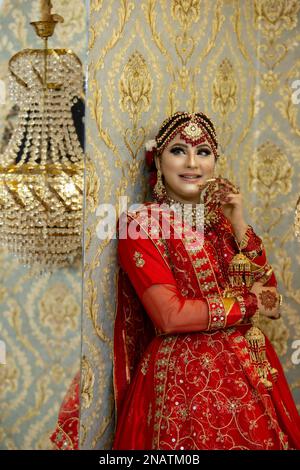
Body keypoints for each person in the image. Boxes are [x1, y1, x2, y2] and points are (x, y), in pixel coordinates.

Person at [113, 111, 300, 450]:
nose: (192, 163)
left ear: (215, 162)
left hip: (247, 369)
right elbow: (169, 317)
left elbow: (270, 293)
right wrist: (249, 303)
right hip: (184, 376)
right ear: (158, 160)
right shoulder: (142, 225)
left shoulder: (221, 224)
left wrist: (239, 220)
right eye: (178, 150)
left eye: (203, 152)